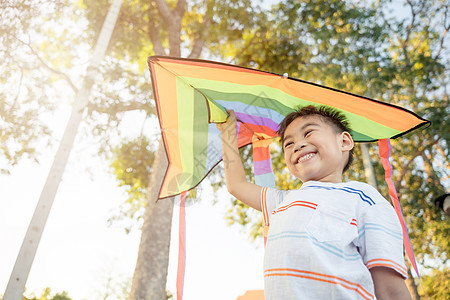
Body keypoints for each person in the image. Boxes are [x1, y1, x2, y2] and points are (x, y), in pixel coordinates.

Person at [217, 105, 411, 300]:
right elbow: (236, 185)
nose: (297, 145)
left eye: (308, 133)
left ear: (344, 141)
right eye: (288, 144)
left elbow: (389, 287)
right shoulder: (283, 201)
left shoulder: (364, 198)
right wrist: (228, 133)